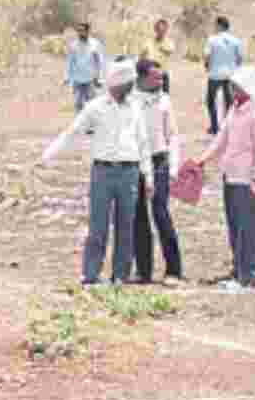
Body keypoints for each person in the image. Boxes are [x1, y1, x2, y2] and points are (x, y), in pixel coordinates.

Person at [39, 59, 153, 286]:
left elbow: (143, 142)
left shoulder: (135, 107)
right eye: (128, 82)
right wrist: (48, 155)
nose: (131, 86)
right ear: (117, 83)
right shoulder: (96, 107)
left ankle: (120, 275)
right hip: (103, 172)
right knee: (98, 226)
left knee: (126, 227)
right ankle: (90, 275)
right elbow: (72, 133)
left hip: (129, 172)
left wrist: (147, 175)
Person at [187, 64, 255, 291]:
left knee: (249, 228)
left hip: (247, 179)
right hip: (230, 176)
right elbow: (221, 140)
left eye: (237, 86)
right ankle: (238, 271)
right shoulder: (235, 108)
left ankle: (249, 276)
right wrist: (202, 160)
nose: (232, 90)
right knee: (235, 227)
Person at [132, 58, 184, 285]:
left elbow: (172, 135)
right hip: (135, 163)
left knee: (160, 212)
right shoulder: (131, 100)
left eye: (162, 76)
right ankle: (143, 271)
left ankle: (174, 269)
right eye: (156, 76)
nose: (161, 80)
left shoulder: (165, 101)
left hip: (159, 161)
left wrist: (174, 167)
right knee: (138, 217)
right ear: (142, 78)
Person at [204, 16, 244, 136]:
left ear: (220, 25)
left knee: (210, 101)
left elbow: (207, 55)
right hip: (230, 75)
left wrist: (207, 65)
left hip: (215, 74)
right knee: (229, 102)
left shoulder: (212, 40)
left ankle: (215, 127)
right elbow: (240, 58)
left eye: (215, 25)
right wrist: (235, 69)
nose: (214, 27)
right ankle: (228, 127)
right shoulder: (236, 40)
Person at [65, 22, 104, 115]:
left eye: (82, 31)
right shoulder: (73, 45)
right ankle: (80, 125)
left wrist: (99, 77)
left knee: (92, 104)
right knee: (78, 104)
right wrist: (67, 77)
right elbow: (70, 61)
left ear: (87, 31)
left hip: (90, 79)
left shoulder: (95, 44)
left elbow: (99, 61)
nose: (80, 33)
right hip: (77, 79)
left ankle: (91, 125)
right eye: (78, 31)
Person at [141, 18, 176, 95]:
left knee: (164, 98)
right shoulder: (148, 42)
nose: (161, 32)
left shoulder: (169, 43)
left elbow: (170, 50)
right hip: (149, 74)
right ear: (155, 30)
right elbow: (142, 56)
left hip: (162, 74)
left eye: (163, 30)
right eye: (159, 29)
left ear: (166, 30)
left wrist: (161, 48)